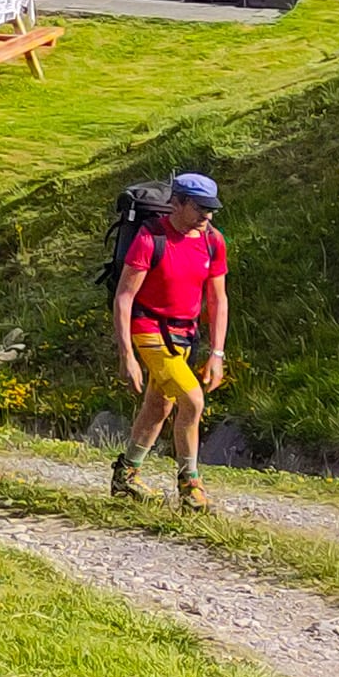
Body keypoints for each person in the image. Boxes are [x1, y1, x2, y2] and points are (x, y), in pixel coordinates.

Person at [111, 172, 229, 508]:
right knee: (192, 401)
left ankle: (126, 476)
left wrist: (217, 353)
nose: (207, 215)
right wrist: (127, 356)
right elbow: (124, 297)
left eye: (212, 209)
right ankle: (190, 484)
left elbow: (218, 299)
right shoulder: (150, 238)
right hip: (148, 330)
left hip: (185, 335)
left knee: (159, 406)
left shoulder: (213, 240)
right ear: (175, 203)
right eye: (200, 208)